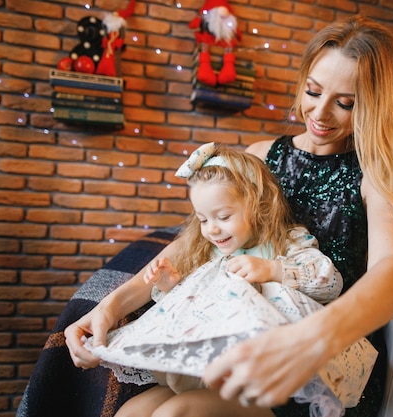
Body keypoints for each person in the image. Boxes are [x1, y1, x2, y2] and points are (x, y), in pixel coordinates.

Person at [64, 14, 393, 417]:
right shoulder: (261, 155)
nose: (320, 113)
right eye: (312, 91)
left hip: (316, 365)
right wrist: (110, 307)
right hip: (236, 336)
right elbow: (194, 244)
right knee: (131, 413)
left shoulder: (375, 175)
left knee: (176, 414)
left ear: (375, 106)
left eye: (346, 103)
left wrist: (311, 340)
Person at [81, 142, 377, 417]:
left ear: (258, 205)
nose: (211, 229)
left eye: (223, 216)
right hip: (201, 374)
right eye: (203, 219)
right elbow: (198, 308)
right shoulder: (211, 254)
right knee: (132, 412)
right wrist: (170, 286)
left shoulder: (284, 244)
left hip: (258, 385)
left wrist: (273, 270)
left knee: (175, 413)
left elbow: (330, 283)